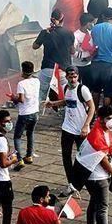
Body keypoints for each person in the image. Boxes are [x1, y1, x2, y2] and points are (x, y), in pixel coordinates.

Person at [45, 66, 94, 195]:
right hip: (67, 128)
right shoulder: (66, 88)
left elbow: (92, 108)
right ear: (66, 77)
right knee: (66, 156)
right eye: (70, 77)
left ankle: (85, 180)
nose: (72, 79)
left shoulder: (83, 90)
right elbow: (67, 101)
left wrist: (86, 125)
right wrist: (53, 103)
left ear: (78, 76)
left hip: (81, 130)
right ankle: (71, 183)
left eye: (75, 77)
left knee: (83, 157)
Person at [74, 106, 112, 224]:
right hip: (97, 177)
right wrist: (111, 171)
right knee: (102, 208)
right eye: (108, 118)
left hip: (97, 174)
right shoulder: (97, 135)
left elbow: (111, 150)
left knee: (94, 203)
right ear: (100, 119)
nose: (111, 121)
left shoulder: (105, 131)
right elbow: (102, 159)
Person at [32, 9, 74, 102]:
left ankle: (40, 109)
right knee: (66, 94)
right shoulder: (69, 33)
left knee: (42, 94)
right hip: (63, 70)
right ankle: (64, 110)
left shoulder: (45, 32)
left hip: (47, 68)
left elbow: (34, 46)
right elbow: (72, 51)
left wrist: (44, 35)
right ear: (63, 20)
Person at [7, 61, 40, 170]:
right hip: (35, 112)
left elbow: (21, 99)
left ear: (23, 71)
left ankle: (19, 159)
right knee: (30, 134)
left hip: (25, 114)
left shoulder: (21, 84)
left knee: (17, 136)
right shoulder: (37, 81)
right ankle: (29, 156)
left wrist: (13, 97)